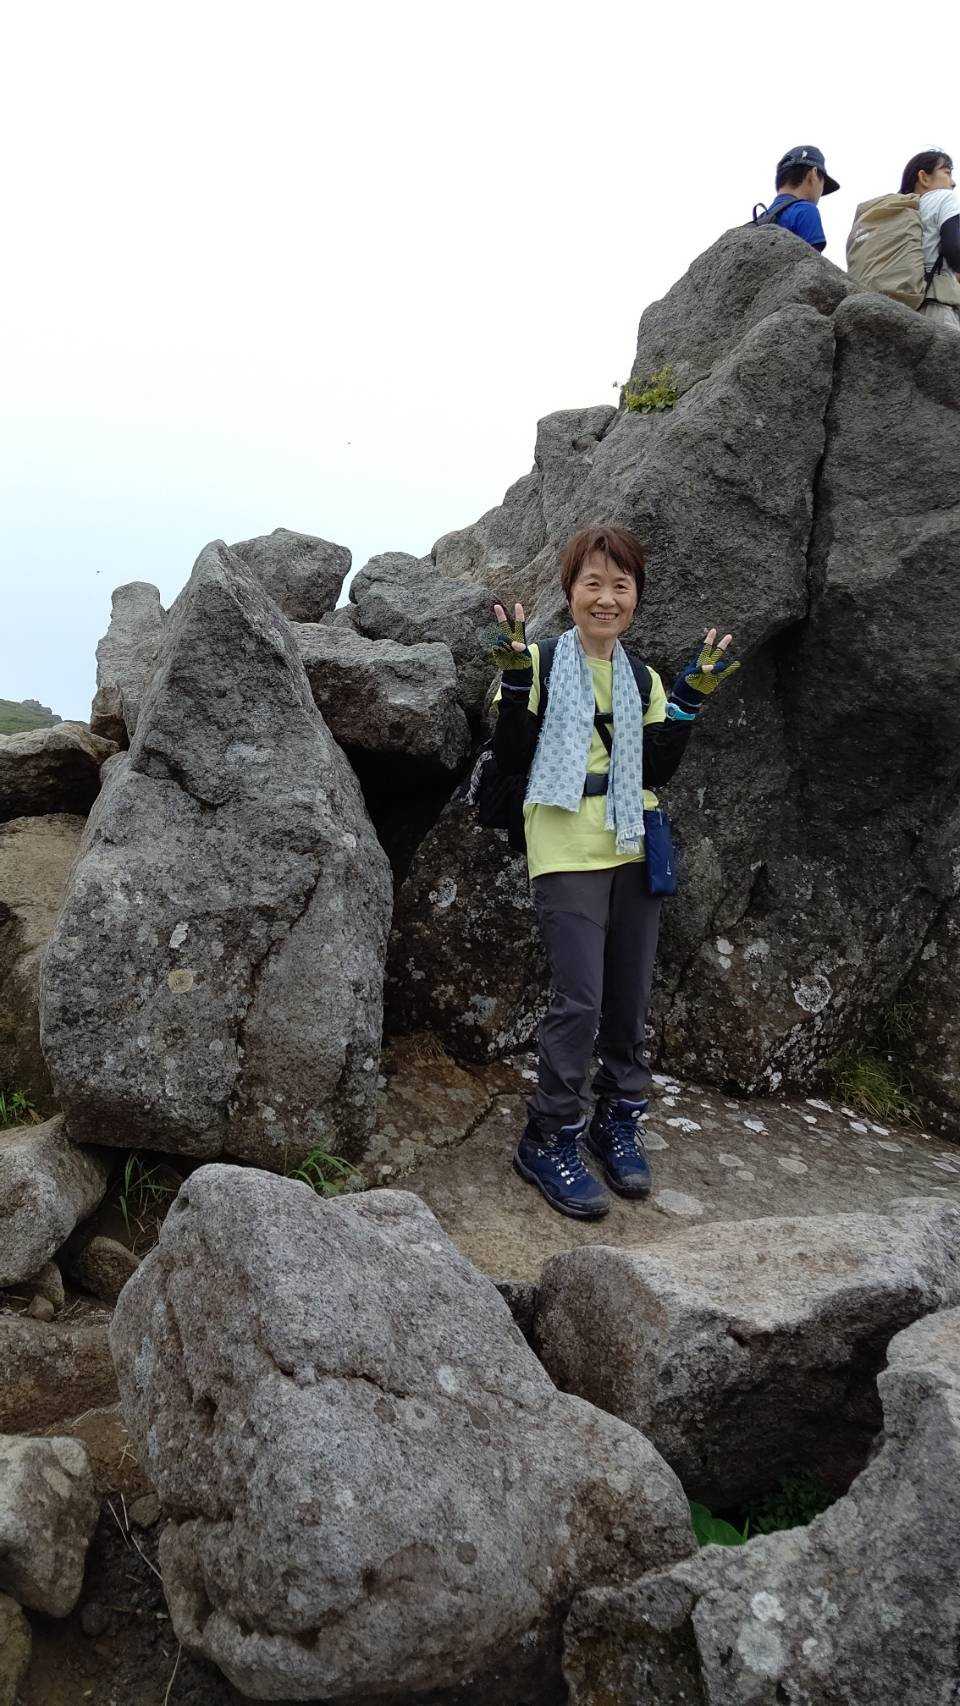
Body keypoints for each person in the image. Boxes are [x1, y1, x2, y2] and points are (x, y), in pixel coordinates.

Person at [489, 525, 739, 1221]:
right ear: (569, 591)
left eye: (620, 585)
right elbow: (511, 756)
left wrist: (687, 699)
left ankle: (617, 1118)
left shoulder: (642, 678)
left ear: (636, 597)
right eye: (592, 583)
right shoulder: (537, 662)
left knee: (629, 996)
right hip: (565, 843)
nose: (606, 598)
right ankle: (549, 1134)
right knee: (580, 999)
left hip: (633, 841)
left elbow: (654, 767)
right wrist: (514, 680)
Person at [900, 148, 960, 334]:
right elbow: (954, 250)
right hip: (937, 308)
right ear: (924, 178)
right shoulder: (944, 197)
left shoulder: (899, 210)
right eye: (947, 173)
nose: (953, 183)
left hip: (900, 311)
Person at [755, 145, 840, 250]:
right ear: (813, 174)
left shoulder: (761, 219)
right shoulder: (805, 210)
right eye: (823, 184)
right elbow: (812, 259)